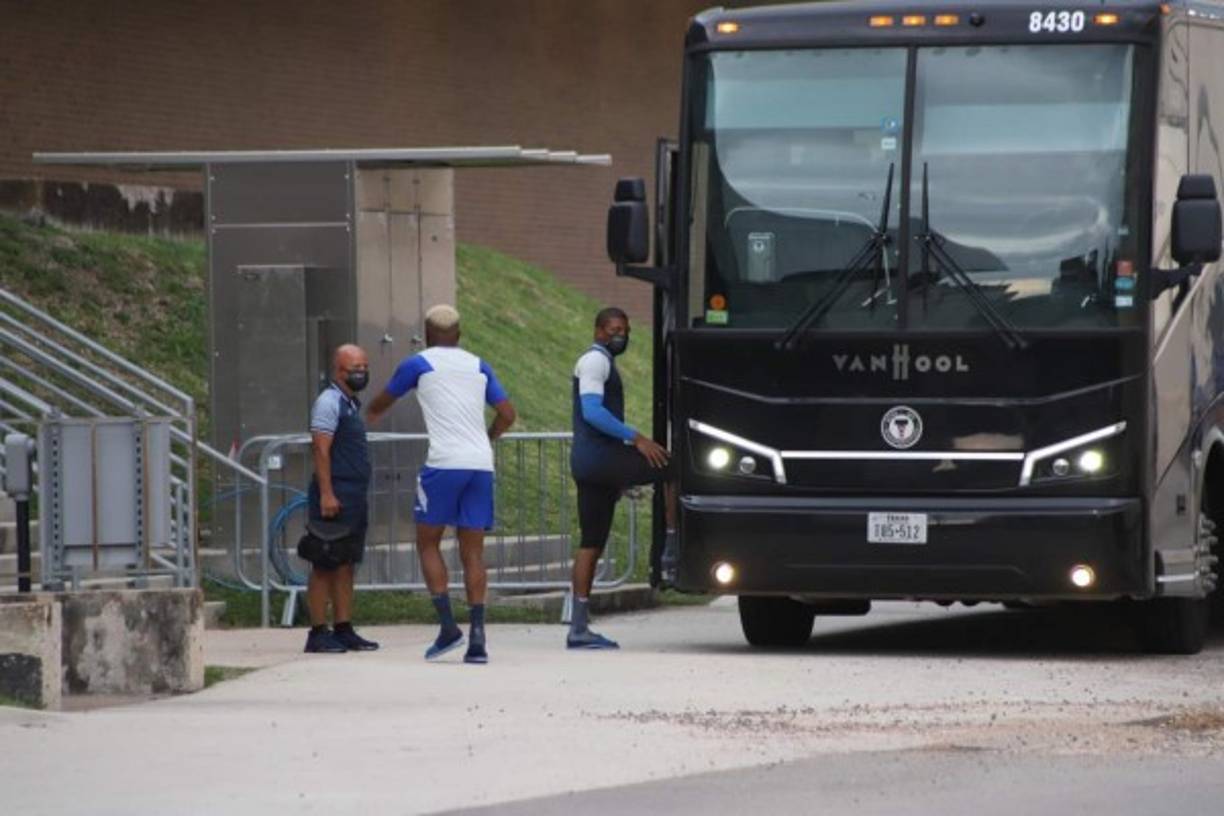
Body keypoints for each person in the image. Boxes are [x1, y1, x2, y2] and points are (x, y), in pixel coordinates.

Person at [367, 304, 516, 664]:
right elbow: (508, 414)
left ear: (428, 335)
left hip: (444, 465)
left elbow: (381, 403)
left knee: (428, 542)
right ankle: (478, 638)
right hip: (480, 465)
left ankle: (449, 627)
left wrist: (364, 423)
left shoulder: (418, 364)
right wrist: (488, 438)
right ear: (460, 334)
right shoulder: (479, 364)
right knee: (473, 553)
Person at [568, 306, 676, 649]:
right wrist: (636, 438)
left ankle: (578, 627)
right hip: (600, 458)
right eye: (614, 329)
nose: (621, 335)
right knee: (673, 468)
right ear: (598, 330)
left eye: (625, 330)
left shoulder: (601, 361)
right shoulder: (595, 361)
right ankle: (671, 548)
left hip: (589, 464)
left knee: (591, 543)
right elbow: (593, 411)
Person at [304, 343, 380, 653]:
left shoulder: (351, 403)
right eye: (355, 369)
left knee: (346, 562)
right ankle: (318, 631)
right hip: (334, 493)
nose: (361, 373)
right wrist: (327, 493)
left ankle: (344, 626)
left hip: (353, 495)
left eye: (364, 367)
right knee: (325, 562)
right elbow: (320, 449)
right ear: (339, 371)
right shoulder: (328, 402)